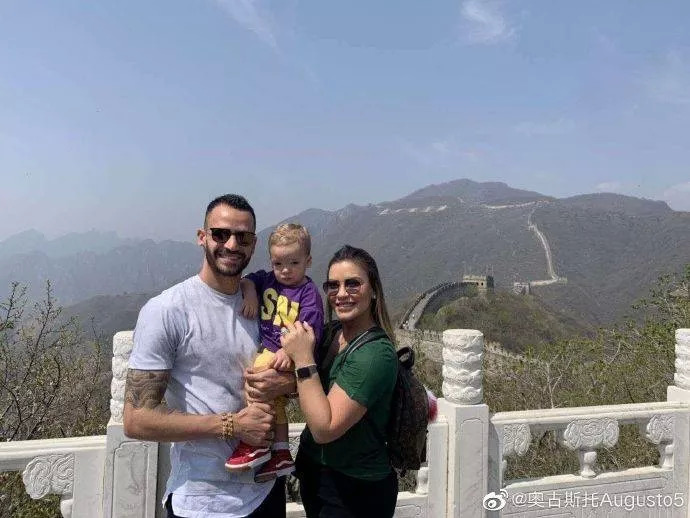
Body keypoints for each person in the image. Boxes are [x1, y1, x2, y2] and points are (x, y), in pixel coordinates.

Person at [123, 194, 295, 518]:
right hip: (203, 500)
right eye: (220, 234)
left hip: (266, 490)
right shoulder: (167, 310)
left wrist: (286, 383)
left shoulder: (265, 306)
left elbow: (296, 370)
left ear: (254, 244)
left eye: (242, 237)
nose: (231, 245)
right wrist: (233, 425)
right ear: (202, 237)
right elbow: (136, 420)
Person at [276, 245, 399, 518]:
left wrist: (303, 357)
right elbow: (303, 389)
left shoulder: (374, 354)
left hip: (355, 489)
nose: (341, 293)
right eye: (333, 285)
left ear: (373, 290)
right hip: (317, 476)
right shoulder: (330, 334)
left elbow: (325, 428)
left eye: (353, 284)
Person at [226, 223, 324, 482]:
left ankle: (255, 443)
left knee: (256, 381)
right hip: (273, 350)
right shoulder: (268, 279)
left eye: (294, 263)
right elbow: (247, 280)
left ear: (308, 261)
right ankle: (280, 451)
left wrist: (287, 353)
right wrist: (250, 294)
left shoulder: (308, 293)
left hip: (284, 353)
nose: (285, 270)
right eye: (278, 263)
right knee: (275, 400)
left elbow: (310, 331)